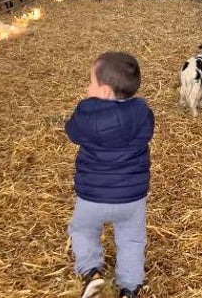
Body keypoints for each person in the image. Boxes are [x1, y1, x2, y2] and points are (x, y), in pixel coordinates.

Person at [65, 52, 155, 298]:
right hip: (132, 199)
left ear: (104, 92)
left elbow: (71, 132)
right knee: (132, 241)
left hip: (92, 196)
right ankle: (129, 287)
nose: (87, 87)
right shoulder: (143, 114)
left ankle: (91, 273)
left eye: (91, 82)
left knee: (82, 231)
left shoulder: (86, 115)